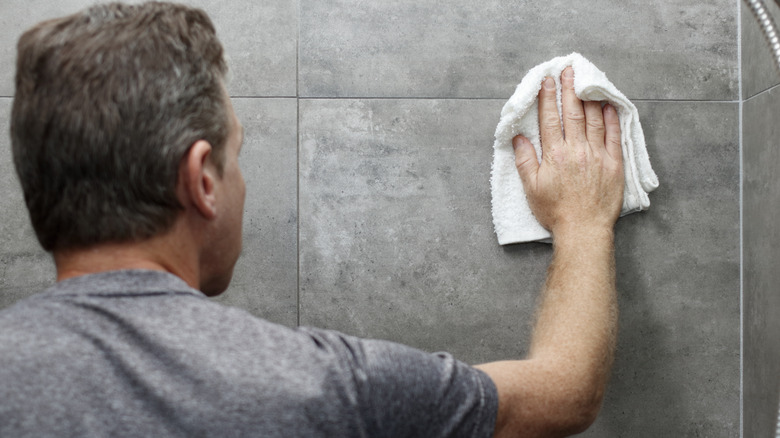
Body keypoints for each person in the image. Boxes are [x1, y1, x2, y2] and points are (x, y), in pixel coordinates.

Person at [0, 2, 624, 437]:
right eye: (236, 154)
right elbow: (564, 393)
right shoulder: (322, 387)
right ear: (201, 180)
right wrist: (584, 223)